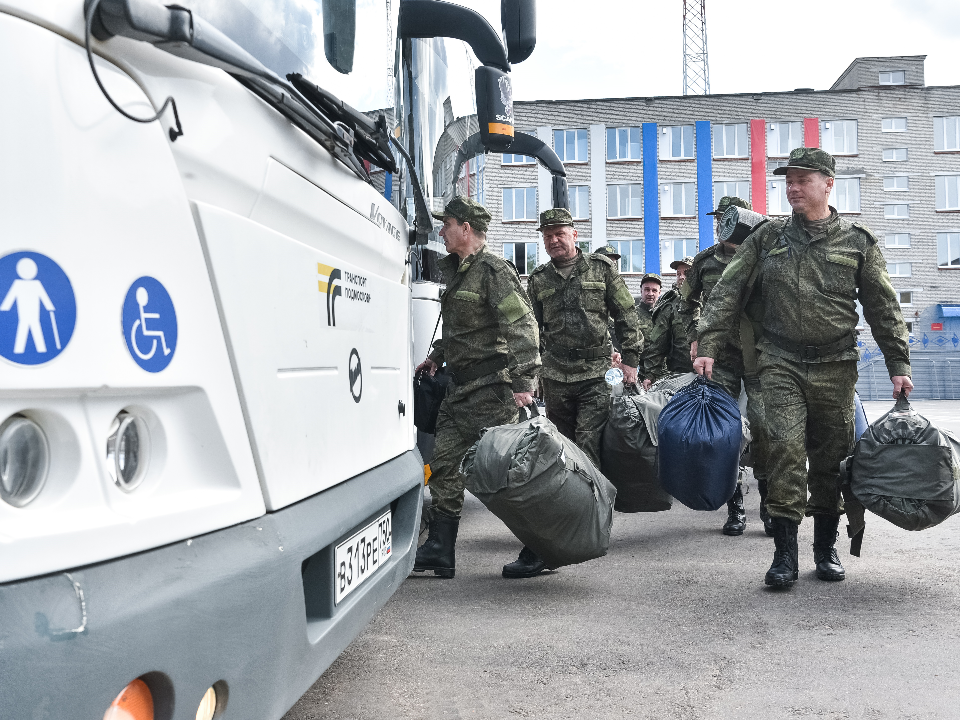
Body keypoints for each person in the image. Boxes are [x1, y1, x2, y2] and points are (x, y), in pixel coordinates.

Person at [693, 148, 913, 588]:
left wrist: (898, 362)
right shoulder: (767, 237)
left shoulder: (857, 241)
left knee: (830, 459)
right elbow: (727, 291)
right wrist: (709, 344)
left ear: (828, 184)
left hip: (835, 364)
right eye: (788, 180)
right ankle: (784, 556)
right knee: (784, 450)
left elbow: (883, 307)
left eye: (803, 179)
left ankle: (825, 548)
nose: (792, 187)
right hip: (779, 361)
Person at [413, 197, 542, 580]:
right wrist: (437, 355)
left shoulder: (493, 271)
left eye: (447, 224)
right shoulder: (457, 271)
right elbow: (462, 328)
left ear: (466, 228)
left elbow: (522, 327)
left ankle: (539, 544)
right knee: (443, 465)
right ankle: (440, 549)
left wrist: (524, 383)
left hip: (493, 392)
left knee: (503, 473)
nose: (442, 231)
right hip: (459, 389)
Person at [680, 196, 770, 537]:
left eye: (727, 219)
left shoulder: (767, 258)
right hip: (722, 358)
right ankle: (735, 507)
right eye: (718, 218)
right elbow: (684, 304)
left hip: (761, 358)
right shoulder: (705, 262)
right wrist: (695, 335)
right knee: (724, 432)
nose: (721, 225)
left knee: (765, 430)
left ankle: (769, 504)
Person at [527, 208, 642, 470]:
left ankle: (591, 503)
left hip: (595, 373)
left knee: (588, 441)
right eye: (547, 236)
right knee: (562, 444)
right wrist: (530, 373)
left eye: (559, 234)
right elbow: (531, 329)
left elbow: (626, 314)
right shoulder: (538, 279)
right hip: (555, 374)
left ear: (574, 234)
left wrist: (631, 360)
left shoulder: (601, 269)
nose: (553, 240)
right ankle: (570, 503)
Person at [642, 257, 695, 388]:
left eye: (686, 273)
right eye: (678, 274)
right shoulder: (670, 305)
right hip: (682, 376)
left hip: (714, 373)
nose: (681, 277)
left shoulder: (710, 299)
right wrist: (651, 375)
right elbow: (658, 344)